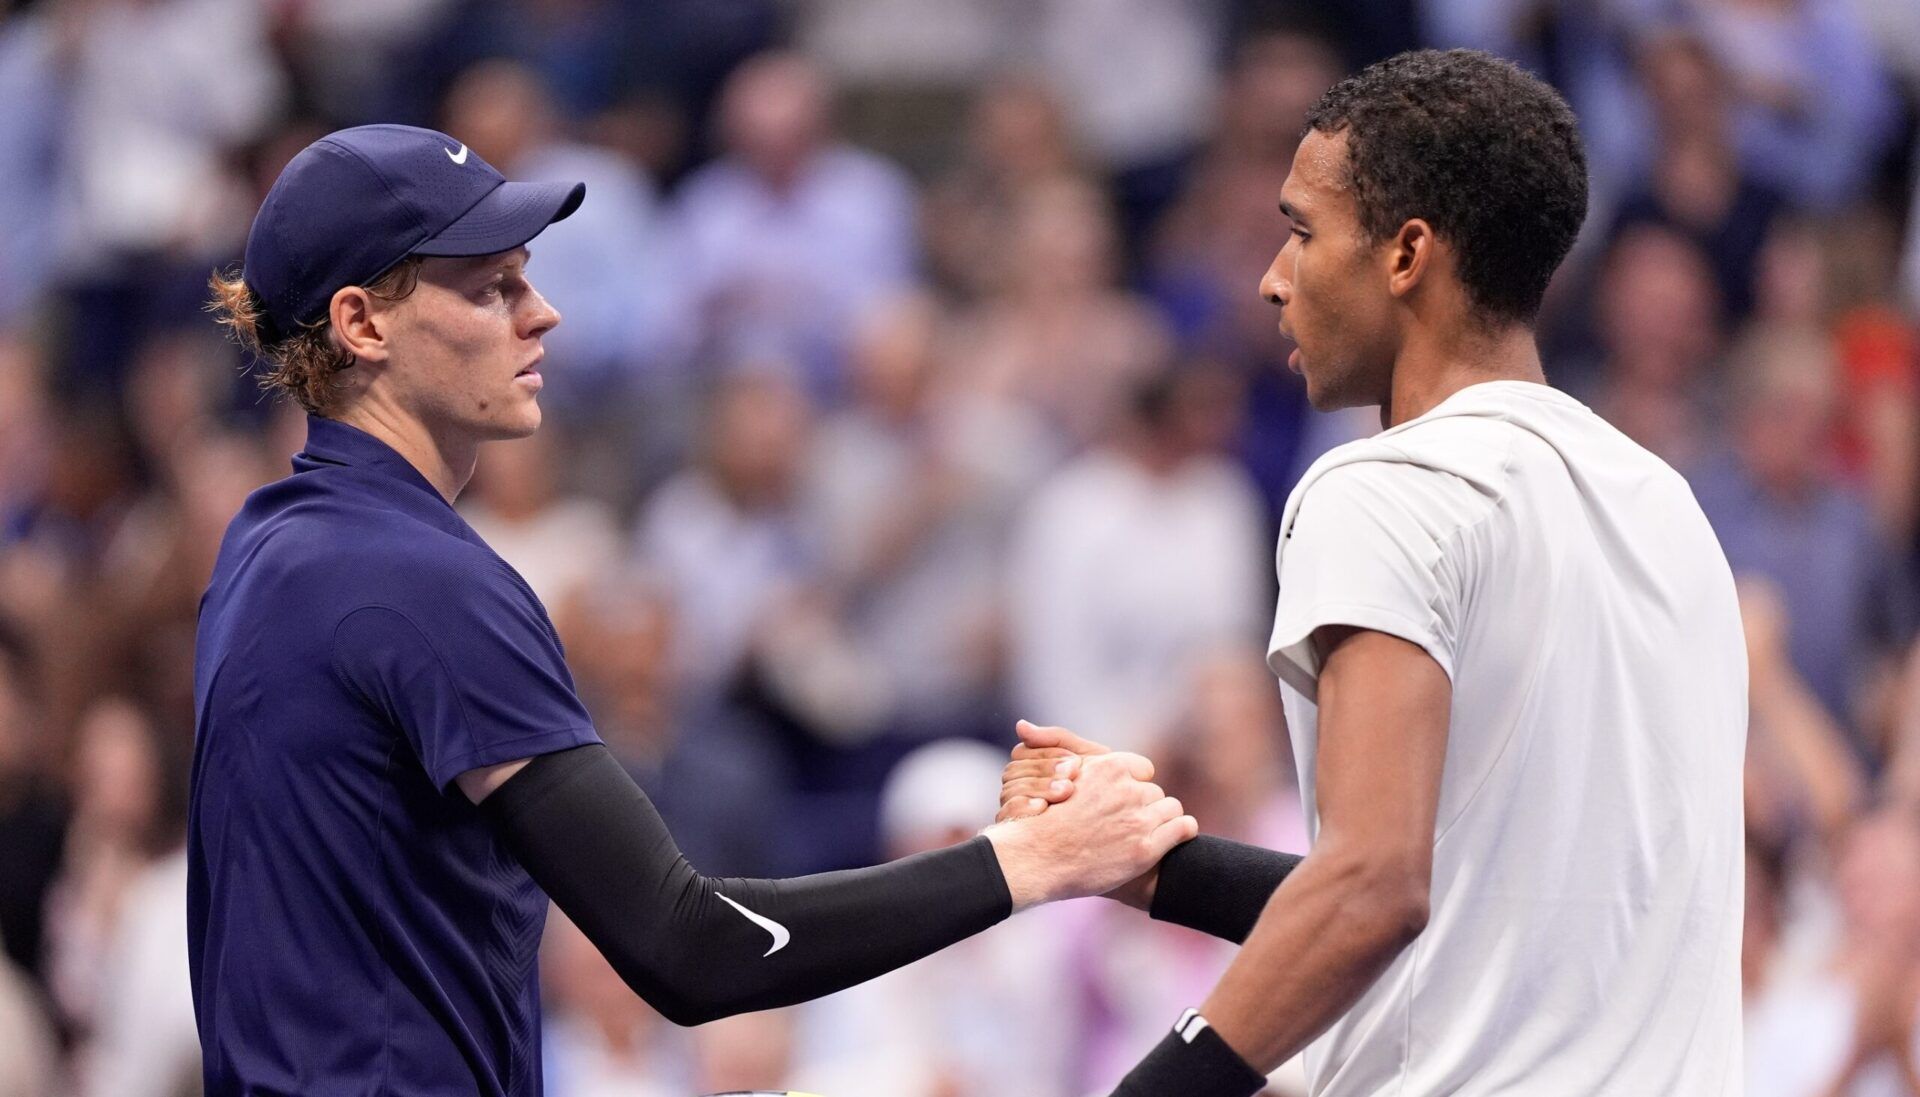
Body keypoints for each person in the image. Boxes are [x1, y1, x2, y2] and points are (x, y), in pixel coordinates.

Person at [189, 124, 1197, 1097]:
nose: (543, 313)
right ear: (363, 324)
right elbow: (689, 945)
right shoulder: (416, 575)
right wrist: (1028, 860)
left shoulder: (266, 547)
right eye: (492, 286)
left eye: (527, 276)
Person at [1002, 49, 1748, 1095]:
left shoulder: (1384, 488)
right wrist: (1154, 865)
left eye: (1303, 230)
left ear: (1406, 254)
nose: (1272, 274)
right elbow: (1473, 912)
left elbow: (1373, 891)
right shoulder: (1669, 506)